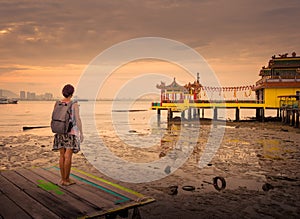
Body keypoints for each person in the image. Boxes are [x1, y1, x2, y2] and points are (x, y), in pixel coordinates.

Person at [52, 84, 83, 186]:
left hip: (60, 132)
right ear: (72, 93)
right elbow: (77, 119)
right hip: (70, 132)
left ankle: (62, 179)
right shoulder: (74, 104)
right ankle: (67, 180)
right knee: (68, 156)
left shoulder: (57, 103)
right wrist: (81, 133)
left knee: (62, 156)